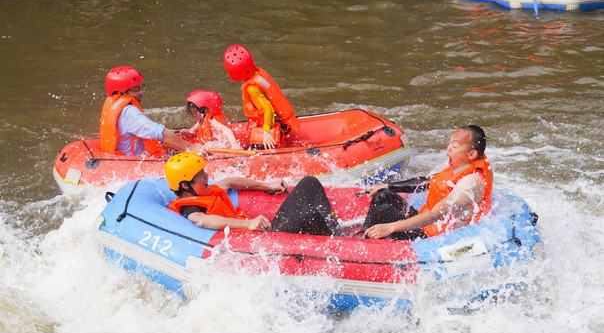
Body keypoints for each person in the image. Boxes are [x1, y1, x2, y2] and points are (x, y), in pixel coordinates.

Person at [363, 124, 493, 240]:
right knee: (383, 194)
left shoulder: (471, 182)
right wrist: (387, 185)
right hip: (427, 225)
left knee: (384, 211)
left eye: (454, 146)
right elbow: (428, 181)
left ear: (471, 154)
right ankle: (365, 236)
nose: (448, 149)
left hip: (434, 238)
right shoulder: (463, 166)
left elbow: (434, 214)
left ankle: (363, 247)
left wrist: (391, 227)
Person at [165, 152, 341, 236]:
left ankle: (335, 230)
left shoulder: (207, 191)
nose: (207, 176)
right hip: (265, 238)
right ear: (186, 185)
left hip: (266, 229)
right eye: (201, 175)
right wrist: (247, 224)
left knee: (310, 182)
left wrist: (266, 185)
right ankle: (335, 241)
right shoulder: (189, 206)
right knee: (308, 215)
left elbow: (228, 182)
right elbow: (202, 220)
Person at [100, 66, 202, 156]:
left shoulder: (113, 104)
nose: (141, 92)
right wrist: (190, 147)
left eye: (141, 87)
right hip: (137, 159)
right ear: (120, 92)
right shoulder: (129, 112)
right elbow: (161, 133)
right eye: (136, 89)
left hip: (121, 153)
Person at [223, 45, 300, 150]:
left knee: (252, 148)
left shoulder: (252, 89)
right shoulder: (258, 74)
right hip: (284, 121)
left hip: (281, 126)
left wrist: (266, 131)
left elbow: (268, 109)